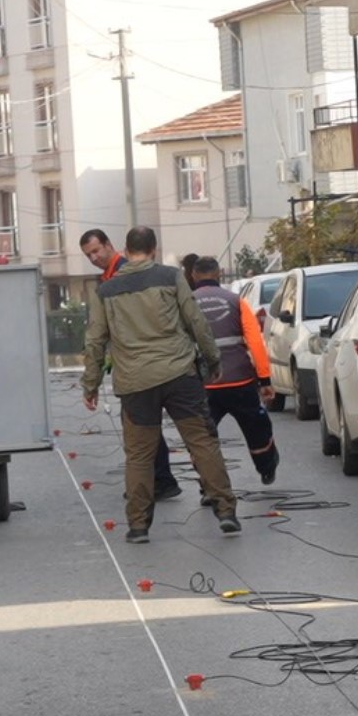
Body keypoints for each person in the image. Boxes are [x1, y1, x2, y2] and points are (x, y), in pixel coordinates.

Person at [81, 226, 240, 543]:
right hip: (179, 374)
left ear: (126, 249)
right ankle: (226, 512)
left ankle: (138, 526)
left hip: (135, 382)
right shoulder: (170, 277)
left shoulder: (106, 291)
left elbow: (95, 340)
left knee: (139, 455)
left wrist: (91, 384)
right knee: (202, 442)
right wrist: (213, 360)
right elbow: (195, 319)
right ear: (153, 248)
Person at [80, 228, 182, 502]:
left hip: (142, 362)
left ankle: (157, 481)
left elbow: (104, 334)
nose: (93, 257)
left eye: (96, 250)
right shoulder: (109, 277)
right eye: (88, 255)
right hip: (145, 360)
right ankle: (160, 479)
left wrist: (92, 381)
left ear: (109, 245)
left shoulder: (123, 274)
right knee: (147, 426)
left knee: (141, 428)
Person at [192, 255, 280, 485]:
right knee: (257, 429)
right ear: (218, 273)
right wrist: (264, 379)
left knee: (202, 438)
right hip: (239, 381)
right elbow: (255, 341)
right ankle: (267, 468)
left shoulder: (186, 304)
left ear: (193, 276)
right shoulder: (235, 301)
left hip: (204, 385)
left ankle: (209, 486)